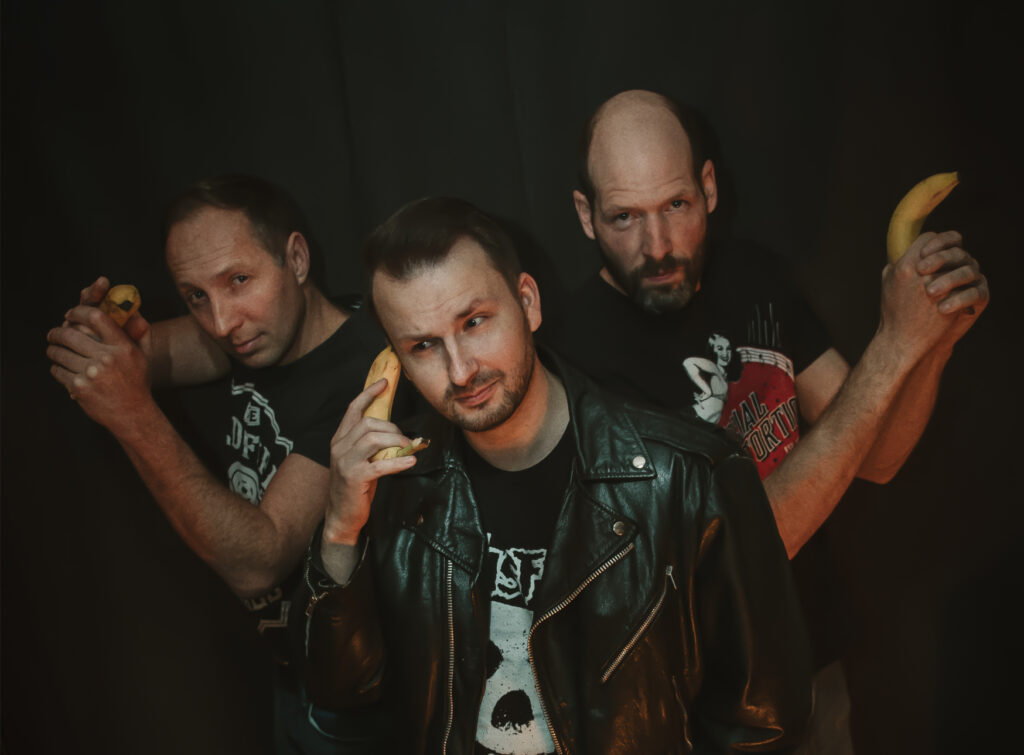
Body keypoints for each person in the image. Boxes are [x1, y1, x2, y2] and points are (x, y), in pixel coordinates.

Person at [546, 89, 990, 752]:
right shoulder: (578, 363)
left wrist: (933, 343)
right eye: (624, 217)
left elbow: (878, 456)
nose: (657, 246)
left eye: (676, 206)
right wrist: (895, 345)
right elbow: (740, 553)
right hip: (706, 709)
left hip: (813, 667)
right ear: (586, 216)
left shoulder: (753, 275)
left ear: (709, 188)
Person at [306, 196, 812, 753]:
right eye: (423, 345)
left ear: (527, 302)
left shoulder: (692, 475)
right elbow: (344, 698)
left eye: (474, 322)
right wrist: (340, 530)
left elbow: (763, 724)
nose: (460, 370)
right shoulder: (394, 488)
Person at [45, 174, 401, 753]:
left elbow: (260, 561)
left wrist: (131, 413)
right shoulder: (253, 332)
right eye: (195, 297)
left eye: (239, 281)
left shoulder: (365, 376)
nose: (220, 322)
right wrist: (96, 337)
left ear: (296, 259)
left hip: (358, 700)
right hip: (289, 672)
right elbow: (126, 361)